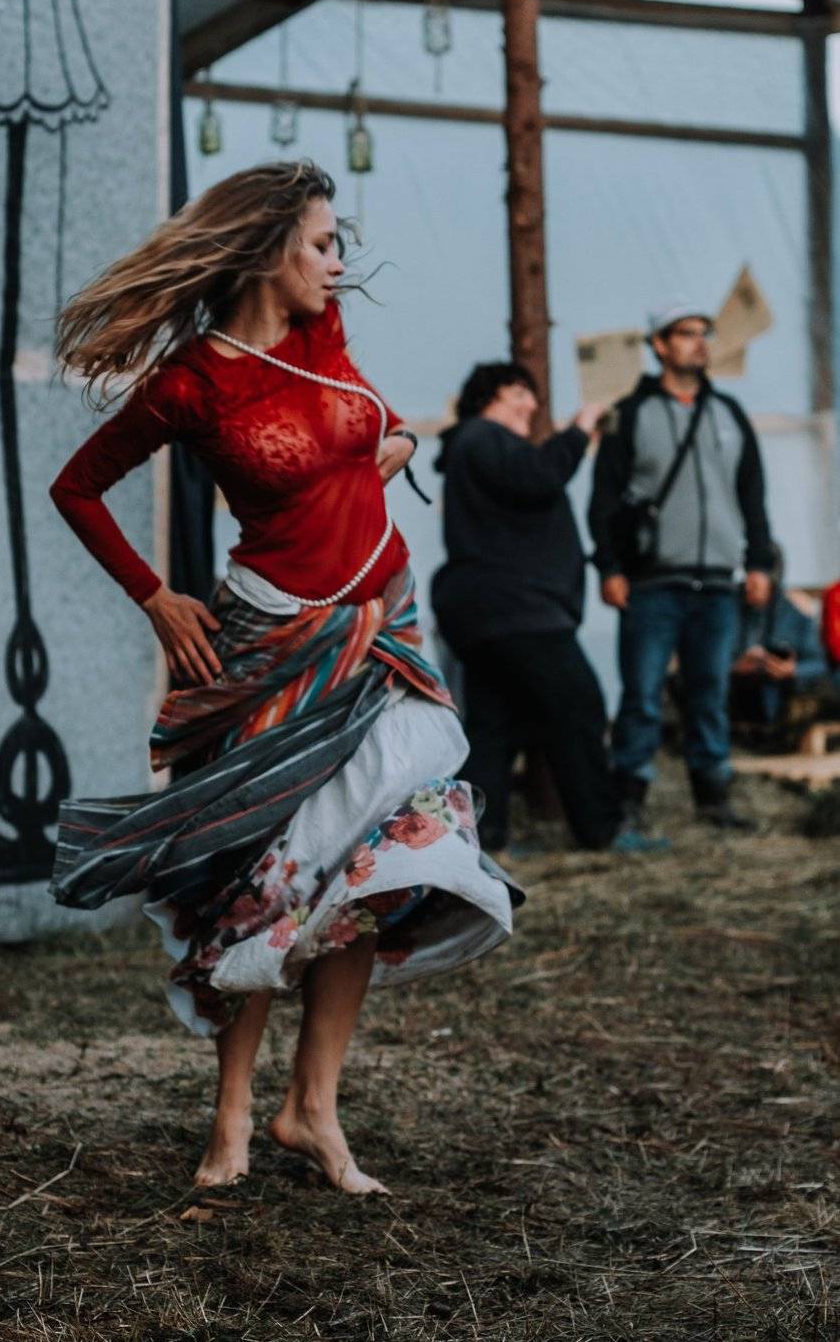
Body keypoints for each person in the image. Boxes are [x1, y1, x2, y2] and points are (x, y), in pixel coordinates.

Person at [48, 160, 521, 1196]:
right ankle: (232, 1120)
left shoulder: (324, 333)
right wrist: (155, 597)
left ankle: (313, 1109)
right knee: (263, 881)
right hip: (271, 647)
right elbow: (76, 488)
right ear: (268, 248)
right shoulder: (193, 382)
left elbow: (372, 418)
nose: (336, 263)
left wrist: (397, 441)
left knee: (371, 871)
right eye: (320, 243)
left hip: (385, 633)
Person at [431, 362, 667, 855]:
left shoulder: (474, 448)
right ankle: (601, 829)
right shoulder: (483, 437)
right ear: (489, 396)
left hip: (490, 611)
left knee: (494, 724)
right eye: (520, 392)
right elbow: (538, 477)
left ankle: (481, 840)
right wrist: (579, 431)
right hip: (518, 609)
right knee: (577, 706)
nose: (532, 405)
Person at [588, 302, 774, 829]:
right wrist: (609, 567)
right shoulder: (631, 414)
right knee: (643, 696)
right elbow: (603, 499)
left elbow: (752, 494)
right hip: (652, 583)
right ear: (659, 345)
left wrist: (759, 562)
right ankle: (629, 801)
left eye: (704, 333)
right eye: (686, 333)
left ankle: (713, 800)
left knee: (710, 693)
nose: (699, 342)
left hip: (717, 582)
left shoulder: (729, 414)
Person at [731, 546, 834, 730]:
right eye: (747, 576)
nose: (748, 585)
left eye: (755, 580)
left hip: (776, 697)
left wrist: (793, 670)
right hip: (732, 692)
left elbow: (820, 663)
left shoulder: (795, 615)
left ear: (772, 580)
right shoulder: (727, 611)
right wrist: (734, 666)